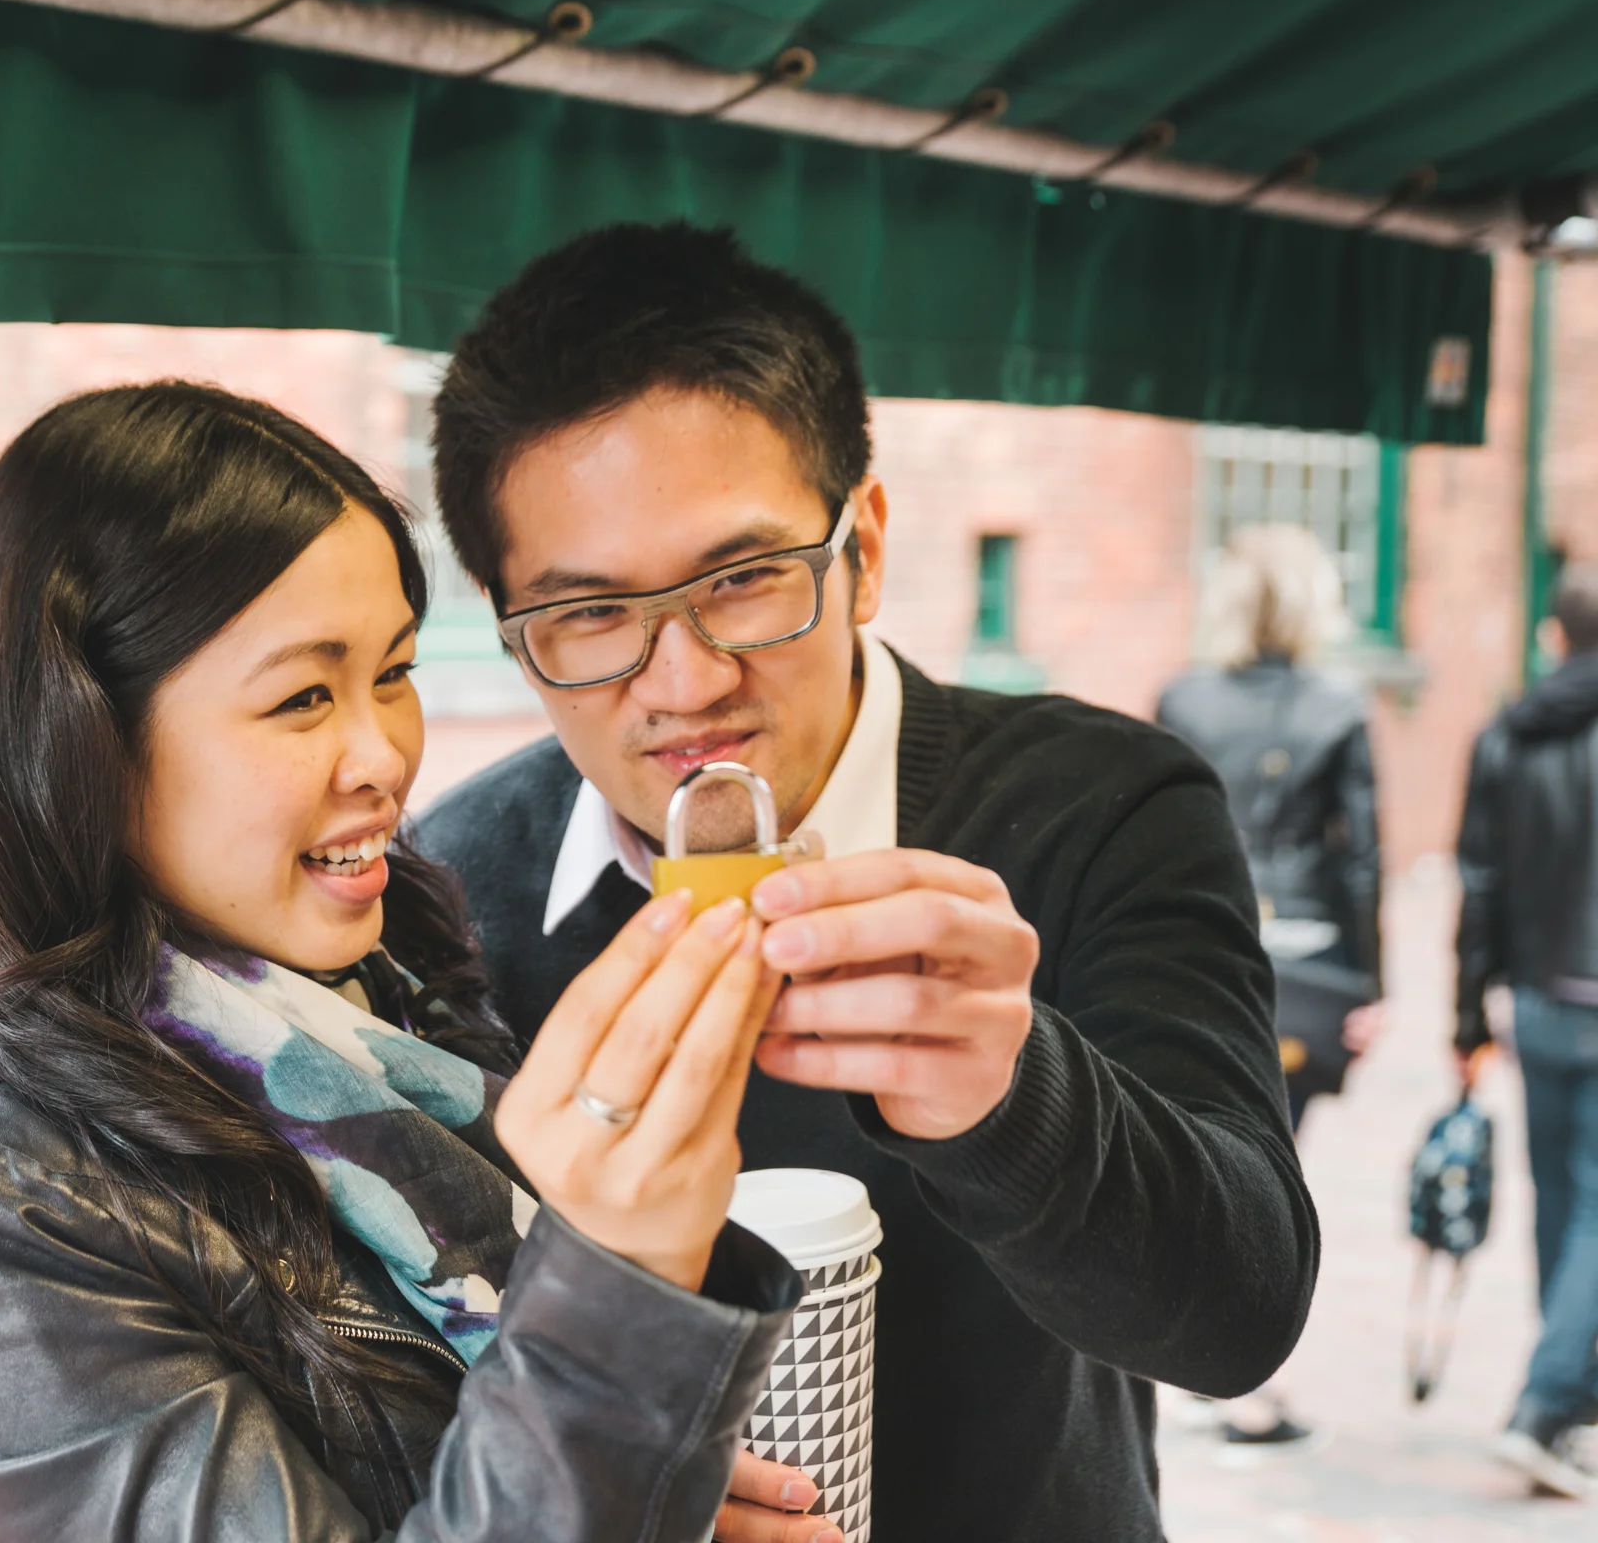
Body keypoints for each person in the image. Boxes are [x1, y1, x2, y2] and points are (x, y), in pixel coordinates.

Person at [0, 381, 839, 1542]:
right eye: (302, 696)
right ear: (82, 740)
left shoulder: (379, 999)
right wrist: (615, 1289)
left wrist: (647, 1481)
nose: (382, 754)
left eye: (392, 673)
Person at [418, 222, 1319, 1541]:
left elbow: (1238, 1320)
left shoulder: (1102, 803)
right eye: (591, 616)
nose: (686, 683)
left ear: (868, 548)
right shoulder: (449, 890)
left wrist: (1009, 1096)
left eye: (744, 577)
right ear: (513, 634)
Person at [1156, 523, 1386, 1449]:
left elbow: (1157, 836)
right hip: (1311, 965)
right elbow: (1363, 860)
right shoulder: (1340, 705)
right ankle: (1231, 1374)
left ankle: (1202, 1359)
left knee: (1205, 1150)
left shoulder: (1184, 697)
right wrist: (1372, 984)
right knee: (1274, 1166)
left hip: (1202, 946)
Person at [1457, 560, 1598, 1501]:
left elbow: (1479, 885)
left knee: (1562, 1202)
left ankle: (1571, 1406)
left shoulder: (1508, 730)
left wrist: (1467, 1014)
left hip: (1541, 1001)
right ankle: (1544, 1405)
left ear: (1555, 636)